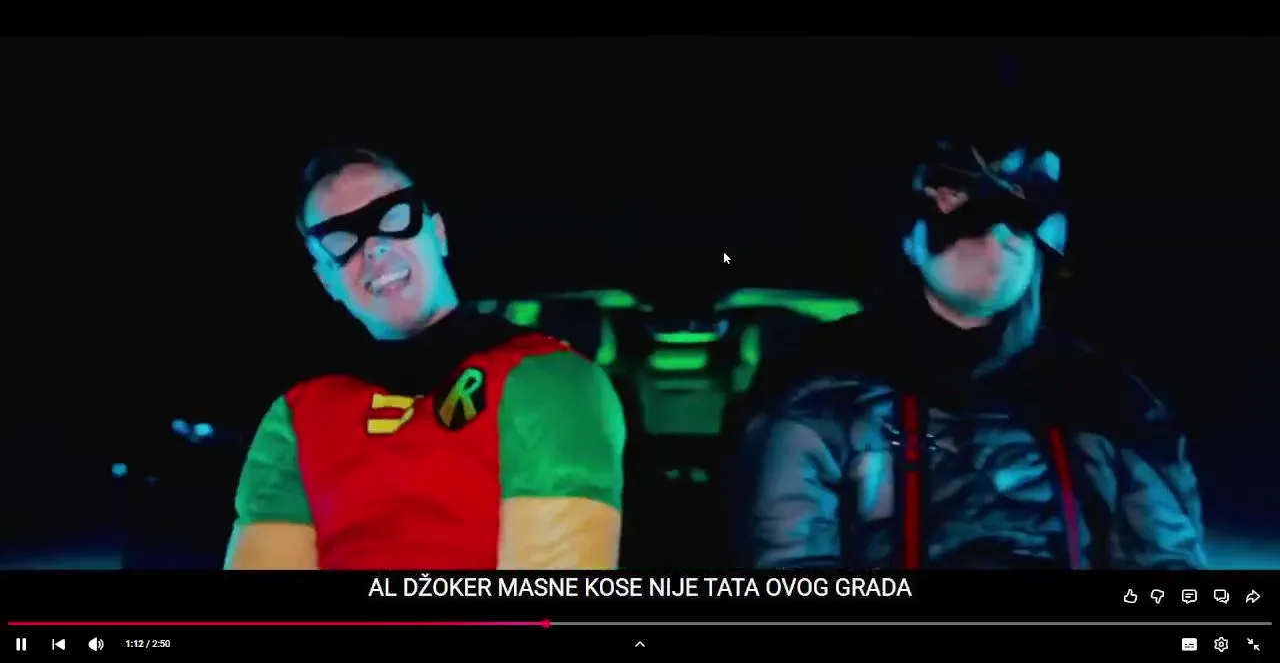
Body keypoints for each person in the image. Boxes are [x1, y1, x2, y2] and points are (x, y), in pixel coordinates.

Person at [732, 140, 1208, 569]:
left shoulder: (1107, 399)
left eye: (1019, 210)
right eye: (959, 200)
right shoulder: (819, 389)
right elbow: (785, 556)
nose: (997, 237)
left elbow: (1164, 560)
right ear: (910, 236)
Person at [224, 148, 626, 569]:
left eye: (392, 215)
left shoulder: (546, 377)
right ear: (327, 280)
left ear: (438, 234)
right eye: (339, 239)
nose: (374, 246)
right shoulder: (298, 416)